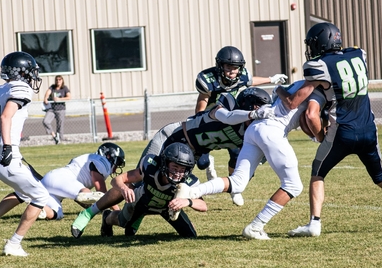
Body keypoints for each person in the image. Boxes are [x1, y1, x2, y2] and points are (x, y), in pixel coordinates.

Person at [271, 22, 382, 236]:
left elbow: (292, 102)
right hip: (368, 129)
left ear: (320, 44)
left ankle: (314, 223)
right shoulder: (358, 54)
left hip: (342, 131)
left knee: (318, 173)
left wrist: (279, 89)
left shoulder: (319, 66)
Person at [70, 88, 273, 238]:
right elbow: (227, 117)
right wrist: (251, 115)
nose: (260, 119)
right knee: (140, 178)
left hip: (190, 155)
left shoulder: (252, 132)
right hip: (172, 137)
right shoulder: (228, 106)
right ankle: (89, 212)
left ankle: (140, 214)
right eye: (258, 112)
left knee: (173, 188)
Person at [187, 80, 327, 240]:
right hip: (273, 130)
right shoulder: (317, 89)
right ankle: (256, 226)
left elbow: (301, 116)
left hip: (255, 128)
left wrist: (280, 89)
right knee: (293, 186)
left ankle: (193, 191)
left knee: (238, 182)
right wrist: (320, 137)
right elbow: (308, 115)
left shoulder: (299, 83)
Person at [0, 52, 49, 257]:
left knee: (23, 193)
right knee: (41, 195)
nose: (33, 76)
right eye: (30, 71)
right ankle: (14, 244)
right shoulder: (21, 88)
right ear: (21, 72)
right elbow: (5, 117)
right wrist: (7, 147)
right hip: (6, 155)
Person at [194, 45, 288, 206]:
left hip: (231, 119)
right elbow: (201, 102)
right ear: (220, 66)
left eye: (235, 68)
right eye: (228, 67)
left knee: (236, 155)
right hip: (211, 120)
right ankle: (209, 163)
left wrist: (271, 79)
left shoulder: (241, 75)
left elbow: (250, 81)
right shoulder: (208, 79)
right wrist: (197, 121)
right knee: (201, 163)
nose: (232, 71)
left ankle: (234, 189)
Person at [99, 142, 207, 238]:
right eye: (175, 168)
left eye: (182, 169)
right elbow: (117, 180)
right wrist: (124, 188)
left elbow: (203, 205)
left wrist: (188, 202)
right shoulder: (151, 167)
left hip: (167, 208)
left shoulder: (188, 181)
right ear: (165, 163)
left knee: (190, 235)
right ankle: (107, 217)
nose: (178, 174)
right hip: (141, 202)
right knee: (122, 222)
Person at [39, 142, 126, 221]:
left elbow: (82, 201)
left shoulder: (90, 157)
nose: (115, 169)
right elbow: (102, 191)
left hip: (50, 180)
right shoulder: (102, 162)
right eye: (117, 163)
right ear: (108, 156)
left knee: (57, 214)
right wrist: (118, 210)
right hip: (61, 178)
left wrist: (94, 208)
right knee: (86, 193)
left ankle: (41, 209)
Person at [42, 75, 71, 144]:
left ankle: (59, 139)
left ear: (62, 80)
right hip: (52, 109)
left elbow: (69, 97)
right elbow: (47, 93)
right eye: (57, 79)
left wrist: (59, 99)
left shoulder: (64, 88)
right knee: (46, 121)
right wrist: (45, 98)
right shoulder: (52, 87)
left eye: (60, 79)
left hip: (61, 109)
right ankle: (54, 135)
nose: (58, 81)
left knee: (60, 125)